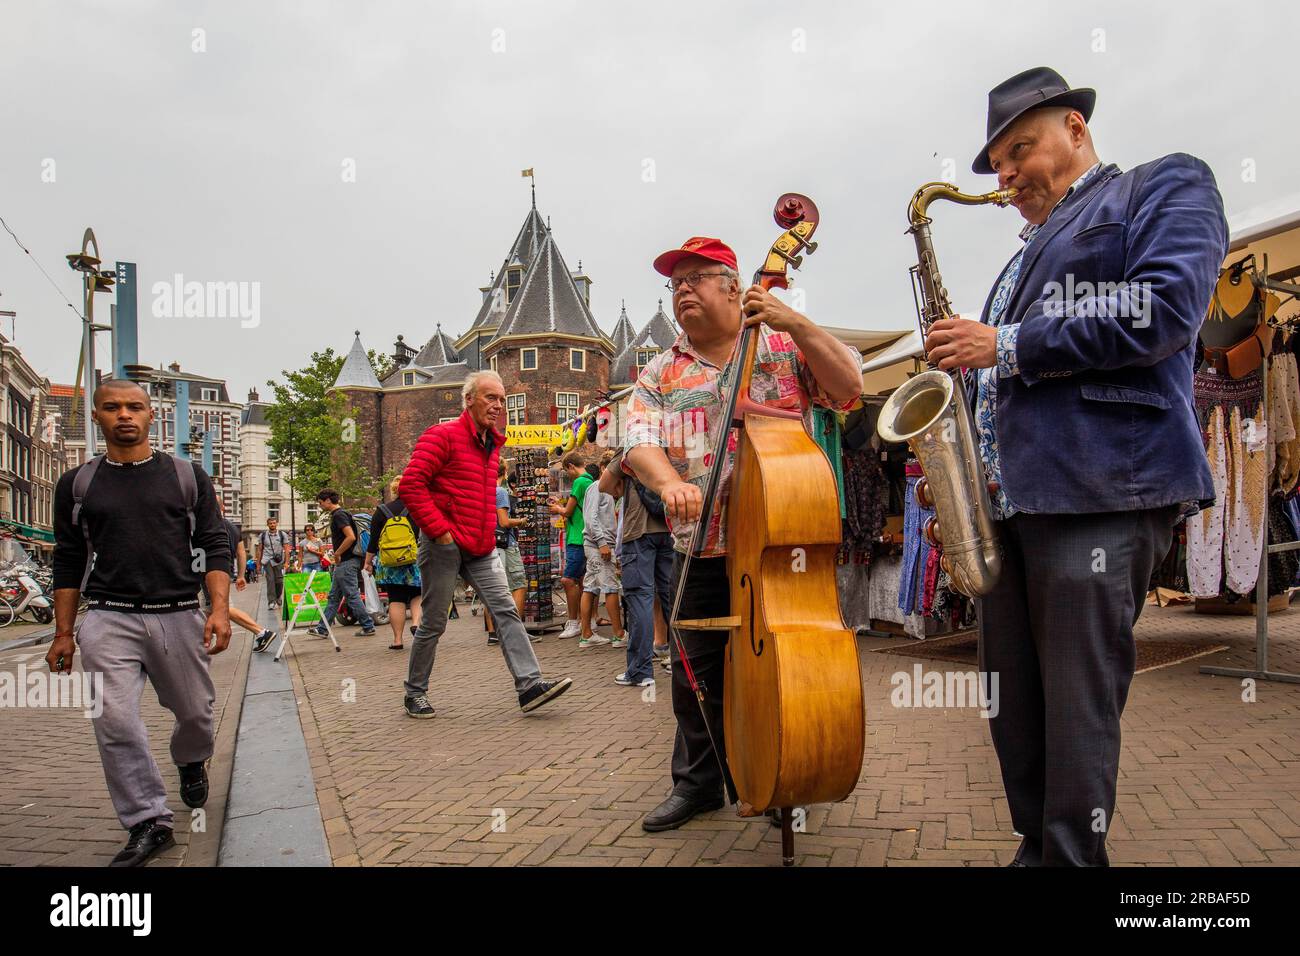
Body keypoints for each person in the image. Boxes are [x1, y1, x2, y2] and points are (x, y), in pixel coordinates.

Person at [923, 67, 1227, 866]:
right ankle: (1039, 851)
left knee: (1076, 705)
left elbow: (1161, 309)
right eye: (998, 165)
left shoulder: (1162, 186)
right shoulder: (1019, 258)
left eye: (1021, 149)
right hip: (1013, 508)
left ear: (1077, 132)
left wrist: (1007, 344)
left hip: (1098, 493)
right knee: (1014, 706)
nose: (1009, 174)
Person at [623, 236, 862, 832]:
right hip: (700, 546)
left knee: (788, 666)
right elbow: (637, 440)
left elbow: (847, 387)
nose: (682, 291)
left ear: (735, 287)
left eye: (696, 278)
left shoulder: (781, 345)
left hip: (783, 545)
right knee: (694, 675)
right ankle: (699, 784)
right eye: (675, 284)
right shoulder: (662, 370)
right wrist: (667, 482)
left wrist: (797, 321)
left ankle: (787, 769)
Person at [47, 379, 233, 866]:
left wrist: (217, 608)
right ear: (97, 417)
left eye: (134, 407)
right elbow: (67, 559)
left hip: (178, 614)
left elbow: (215, 543)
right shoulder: (78, 483)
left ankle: (191, 759)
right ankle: (148, 821)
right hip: (109, 617)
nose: (124, 415)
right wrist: (64, 632)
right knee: (115, 721)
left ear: (152, 415)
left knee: (195, 715)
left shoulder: (186, 476)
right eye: (112, 408)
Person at [398, 370, 572, 718]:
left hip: (480, 546)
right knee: (434, 621)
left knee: (506, 609)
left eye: (502, 400)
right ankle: (414, 692)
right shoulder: (442, 435)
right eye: (490, 397)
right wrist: (440, 531)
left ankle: (529, 686)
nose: (498, 405)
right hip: (443, 545)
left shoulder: (492, 446)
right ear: (469, 400)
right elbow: (411, 485)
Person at [600, 449, 672, 687]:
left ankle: (641, 671)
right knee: (672, 596)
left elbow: (604, 485)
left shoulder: (632, 447)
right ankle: (682, 661)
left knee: (640, 598)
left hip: (639, 530)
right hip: (670, 528)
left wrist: (623, 485)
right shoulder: (672, 443)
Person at [208, 497, 277, 652]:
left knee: (221, 607)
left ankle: (261, 632)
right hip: (225, 571)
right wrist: (240, 575)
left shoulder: (210, 526)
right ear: (223, 507)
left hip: (211, 573)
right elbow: (241, 553)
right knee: (211, 609)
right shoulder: (232, 527)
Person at [306, 490, 376, 637]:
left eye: (320, 502)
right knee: (334, 597)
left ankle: (368, 625)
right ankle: (323, 628)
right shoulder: (342, 514)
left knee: (351, 594)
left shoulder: (339, 515)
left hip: (347, 562)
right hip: (346, 562)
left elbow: (350, 537)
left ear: (328, 501)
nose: (320, 506)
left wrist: (337, 553)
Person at [364, 477, 422, 651]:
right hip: (413, 559)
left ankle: (397, 640)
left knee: (396, 598)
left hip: (389, 562)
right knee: (417, 595)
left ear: (394, 491)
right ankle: (417, 624)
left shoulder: (381, 510)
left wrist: (368, 562)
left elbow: (373, 541)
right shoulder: (416, 508)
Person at [578, 455, 626, 649]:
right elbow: (591, 518)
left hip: (599, 544)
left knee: (590, 586)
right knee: (610, 587)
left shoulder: (609, 492)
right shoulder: (596, 488)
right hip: (599, 544)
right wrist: (602, 543)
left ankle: (586, 634)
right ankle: (618, 634)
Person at [484, 462, 530, 645]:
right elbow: (503, 521)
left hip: (487, 545)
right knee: (519, 584)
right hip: (505, 544)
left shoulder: (481, 491)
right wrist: (521, 521)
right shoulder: (500, 492)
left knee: (491, 590)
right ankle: (515, 632)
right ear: (503, 472)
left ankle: (492, 633)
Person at [548, 452, 592, 638]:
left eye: (567, 471)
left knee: (568, 580)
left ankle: (574, 622)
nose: (569, 475)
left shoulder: (579, 482)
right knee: (583, 581)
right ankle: (586, 623)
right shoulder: (591, 481)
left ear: (571, 466)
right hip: (585, 536)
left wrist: (558, 508)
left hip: (577, 537)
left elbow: (568, 511)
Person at [256, 518, 288, 610]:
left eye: (274, 523)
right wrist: (258, 564)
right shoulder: (263, 535)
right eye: (270, 523)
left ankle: (278, 597)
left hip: (278, 561)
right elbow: (260, 550)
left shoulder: (282, 534)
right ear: (267, 525)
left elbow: (286, 549)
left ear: (277, 524)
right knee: (270, 580)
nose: (272, 525)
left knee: (279, 581)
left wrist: (286, 562)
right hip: (267, 560)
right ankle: (271, 601)